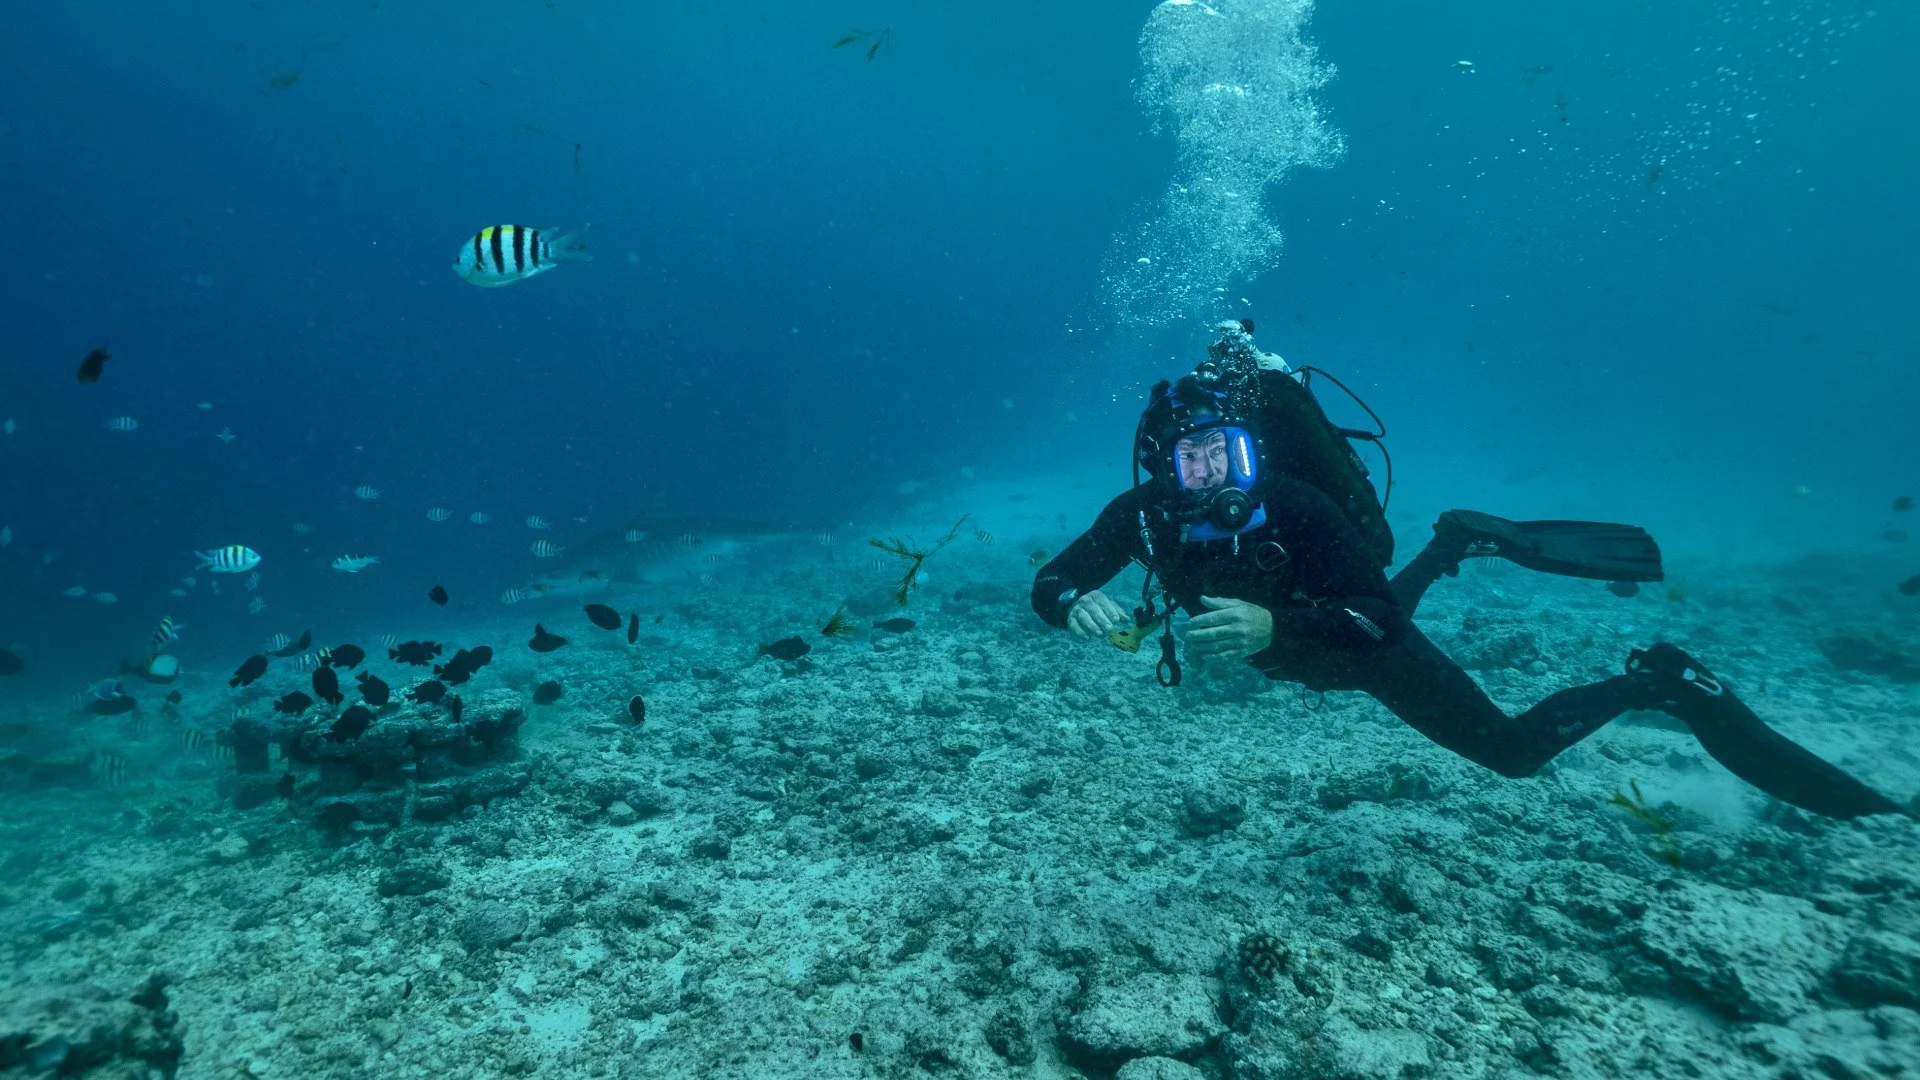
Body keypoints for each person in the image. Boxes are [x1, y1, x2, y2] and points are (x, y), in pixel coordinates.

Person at [1031, 322, 1907, 820]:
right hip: (1310, 652)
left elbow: (1375, 615)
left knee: (1514, 754)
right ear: (1161, 463)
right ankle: (1451, 545)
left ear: (1251, 451)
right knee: (1362, 624)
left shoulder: (1297, 503)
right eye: (1191, 460)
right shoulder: (1139, 517)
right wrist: (1075, 601)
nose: (1212, 477)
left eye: (1227, 454)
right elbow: (1050, 582)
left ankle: (1658, 681)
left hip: (1359, 647)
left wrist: (1276, 628)